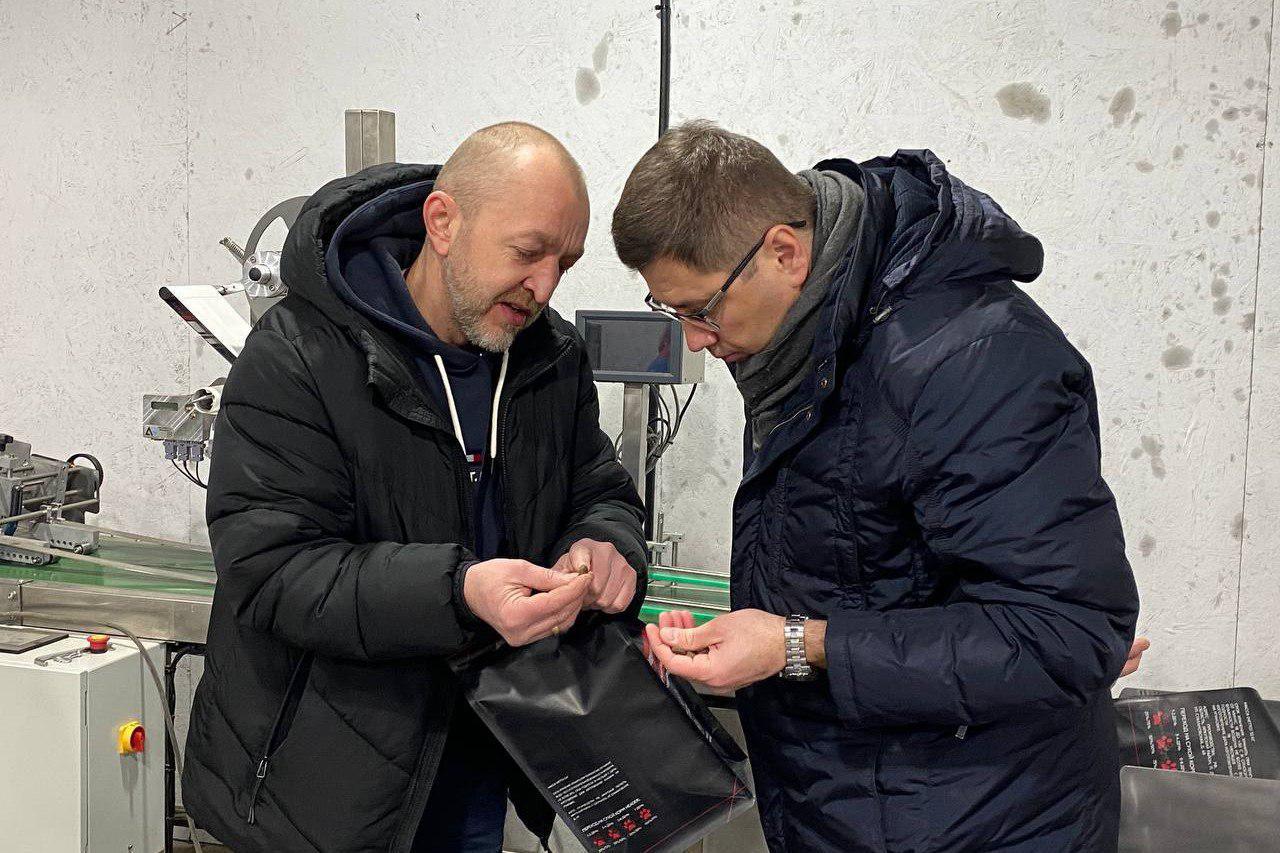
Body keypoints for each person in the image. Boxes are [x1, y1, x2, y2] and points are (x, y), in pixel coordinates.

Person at [617, 121, 1142, 852]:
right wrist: (750, 639)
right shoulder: (807, 343)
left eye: (702, 310)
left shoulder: (974, 361)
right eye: (671, 312)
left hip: (979, 818)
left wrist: (795, 643)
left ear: (784, 252)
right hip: (855, 803)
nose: (693, 339)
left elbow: (1066, 632)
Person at [183, 122, 647, 852]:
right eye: (527, 253)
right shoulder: (300, 356)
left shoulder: (548, 358)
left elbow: (599, 487)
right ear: (443, 222)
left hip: (478, 758)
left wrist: (607, 542)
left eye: (565, 262)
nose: (545, 286)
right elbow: (271, 569)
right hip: (323, 787)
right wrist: (459, 591)